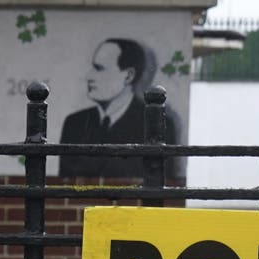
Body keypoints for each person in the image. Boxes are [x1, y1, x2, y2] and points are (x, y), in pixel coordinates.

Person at [58, 38, 182, 179]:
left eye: (99, 68)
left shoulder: (156, 125)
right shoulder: (74, 123)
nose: (88, 76)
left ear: (128, 76)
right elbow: (65, 187)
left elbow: (160, 188)